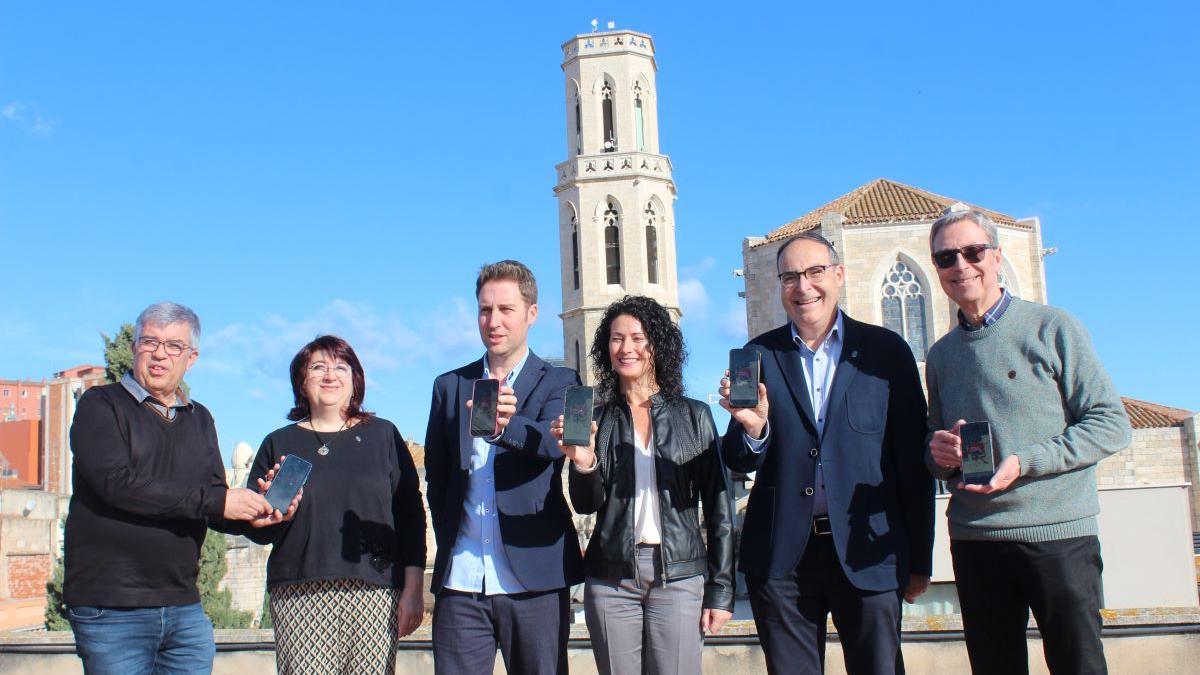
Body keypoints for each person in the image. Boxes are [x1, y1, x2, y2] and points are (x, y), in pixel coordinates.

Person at [924, 204, 1132, 675]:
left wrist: (1025, 462)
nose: (960, 266)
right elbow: (933, 449)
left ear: (996, 257)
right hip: (975, 540)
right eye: (945, 258)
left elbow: (1110, 424)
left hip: (1058, 536)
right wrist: (937, 453)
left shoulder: (1054, 327)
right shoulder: (941, 355)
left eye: (972, 251)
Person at [719, 232, 934, 675]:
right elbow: (738, 460)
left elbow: (913, 463)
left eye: (815, 272)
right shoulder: (757, 355)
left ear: (838, 275)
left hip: (870, 553)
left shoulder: (886, 353)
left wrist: (920, 559)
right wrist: (754, 430)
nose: (804, 286)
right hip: (783, 561)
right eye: (790, 277)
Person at [64, 301, 294, 674]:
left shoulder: (199, 419)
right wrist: (220, 501)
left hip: (184, 610)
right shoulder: (99, 405)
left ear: (191, 358)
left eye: (173, 346)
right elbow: (118, 485)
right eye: (149, 342)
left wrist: (260, 515)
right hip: (112, 608)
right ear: (135, 347)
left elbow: (213, 502)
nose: (159, 354)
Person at [554, 295, 735, 675]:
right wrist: (584, 463)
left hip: (680, 575)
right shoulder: (597, 419)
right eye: (617, 339)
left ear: (657, 344)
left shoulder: (694, 416)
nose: (627, 348)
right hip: (611, 578)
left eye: (638, 338)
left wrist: (720, 590)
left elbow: (720, 511)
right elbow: (586, 505)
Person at [424, 260, 583, 675]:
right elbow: (437, 478)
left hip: (534, 579)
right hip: (461, 581)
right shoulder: (449, 387)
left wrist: (505, 429)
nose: (493, 321)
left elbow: (552, 444)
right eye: (484, 309)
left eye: (505, 309)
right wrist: (449, 537)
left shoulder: (561, 381)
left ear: (531, 314)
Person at [245, 335, 427, 674]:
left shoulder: (383, 436)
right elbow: (256, 529)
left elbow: (410, 516)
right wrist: (266, 515)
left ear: (355, 380)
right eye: (318, 367)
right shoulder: (278, 443)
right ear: (301, 380)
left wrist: (413, 589)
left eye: (340, 366)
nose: (330, 375)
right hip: (299, 595)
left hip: (375, 592)